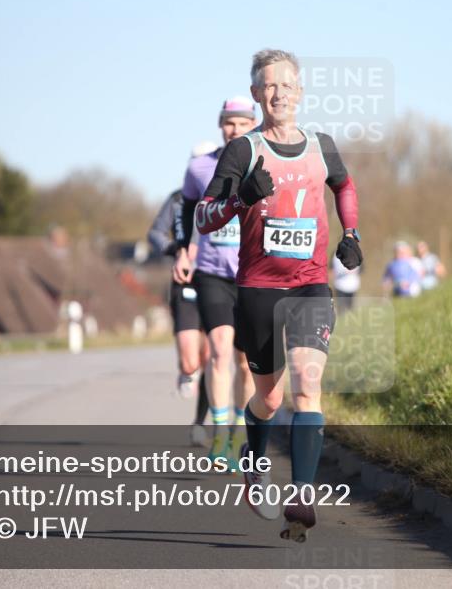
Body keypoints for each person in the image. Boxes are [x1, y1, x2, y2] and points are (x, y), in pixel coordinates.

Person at [193, 49, 362, 542]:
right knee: (268, 396)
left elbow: (344, 185)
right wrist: (240, 198)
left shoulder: (321, 145)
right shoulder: (243, 151)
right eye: (269, 85)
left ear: (300, 92)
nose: (279, 93)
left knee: (308, 385)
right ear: (256, 94)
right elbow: (205, 217)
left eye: (288, 84)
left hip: (310, 284)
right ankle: (254, 458)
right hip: (258, 287)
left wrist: (351, 234)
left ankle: (302, 494)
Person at [174, 98, 258, 465]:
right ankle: (221, 435)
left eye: (242, 123)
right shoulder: (199, 167)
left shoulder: (262, 163)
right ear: (220, 126)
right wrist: (183, 248)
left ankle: (239, 430)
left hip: (252, 272)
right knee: (220, 348)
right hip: (211, 271)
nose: (235, 129)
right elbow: (188, 207)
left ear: (252, 125)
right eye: (229, 123)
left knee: (245, 361)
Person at [147, 184, 211, 446]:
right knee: (190, 362)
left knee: (210, 357)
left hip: (216, 280)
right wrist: (175, 248)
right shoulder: (176, 198)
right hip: (184, 281)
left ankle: (199, 423)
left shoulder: (229, 196)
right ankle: (186, 372)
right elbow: (155, 233)